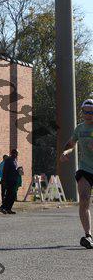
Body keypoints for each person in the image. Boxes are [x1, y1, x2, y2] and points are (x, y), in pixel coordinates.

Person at [60, 99, 93, 249]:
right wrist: (66, 152)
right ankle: (88, 235)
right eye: (86, 111)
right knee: (84, 199)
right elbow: (71, 144)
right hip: (85, 169)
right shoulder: (80, 128)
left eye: (91, 112)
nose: (88, 114)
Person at [0, 149, 20, 214]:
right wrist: (4, 180)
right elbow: (5, 171)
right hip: (10, 180)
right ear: (13, 154)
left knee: (12, 195)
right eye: (15, 154)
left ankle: (8, 209)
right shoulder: (9, 160)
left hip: (14, 180)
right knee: (10, 195)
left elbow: (14, 170)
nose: (16, 155)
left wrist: (18, 171)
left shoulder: (14, 161)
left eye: (16, 154)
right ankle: (3, 207)